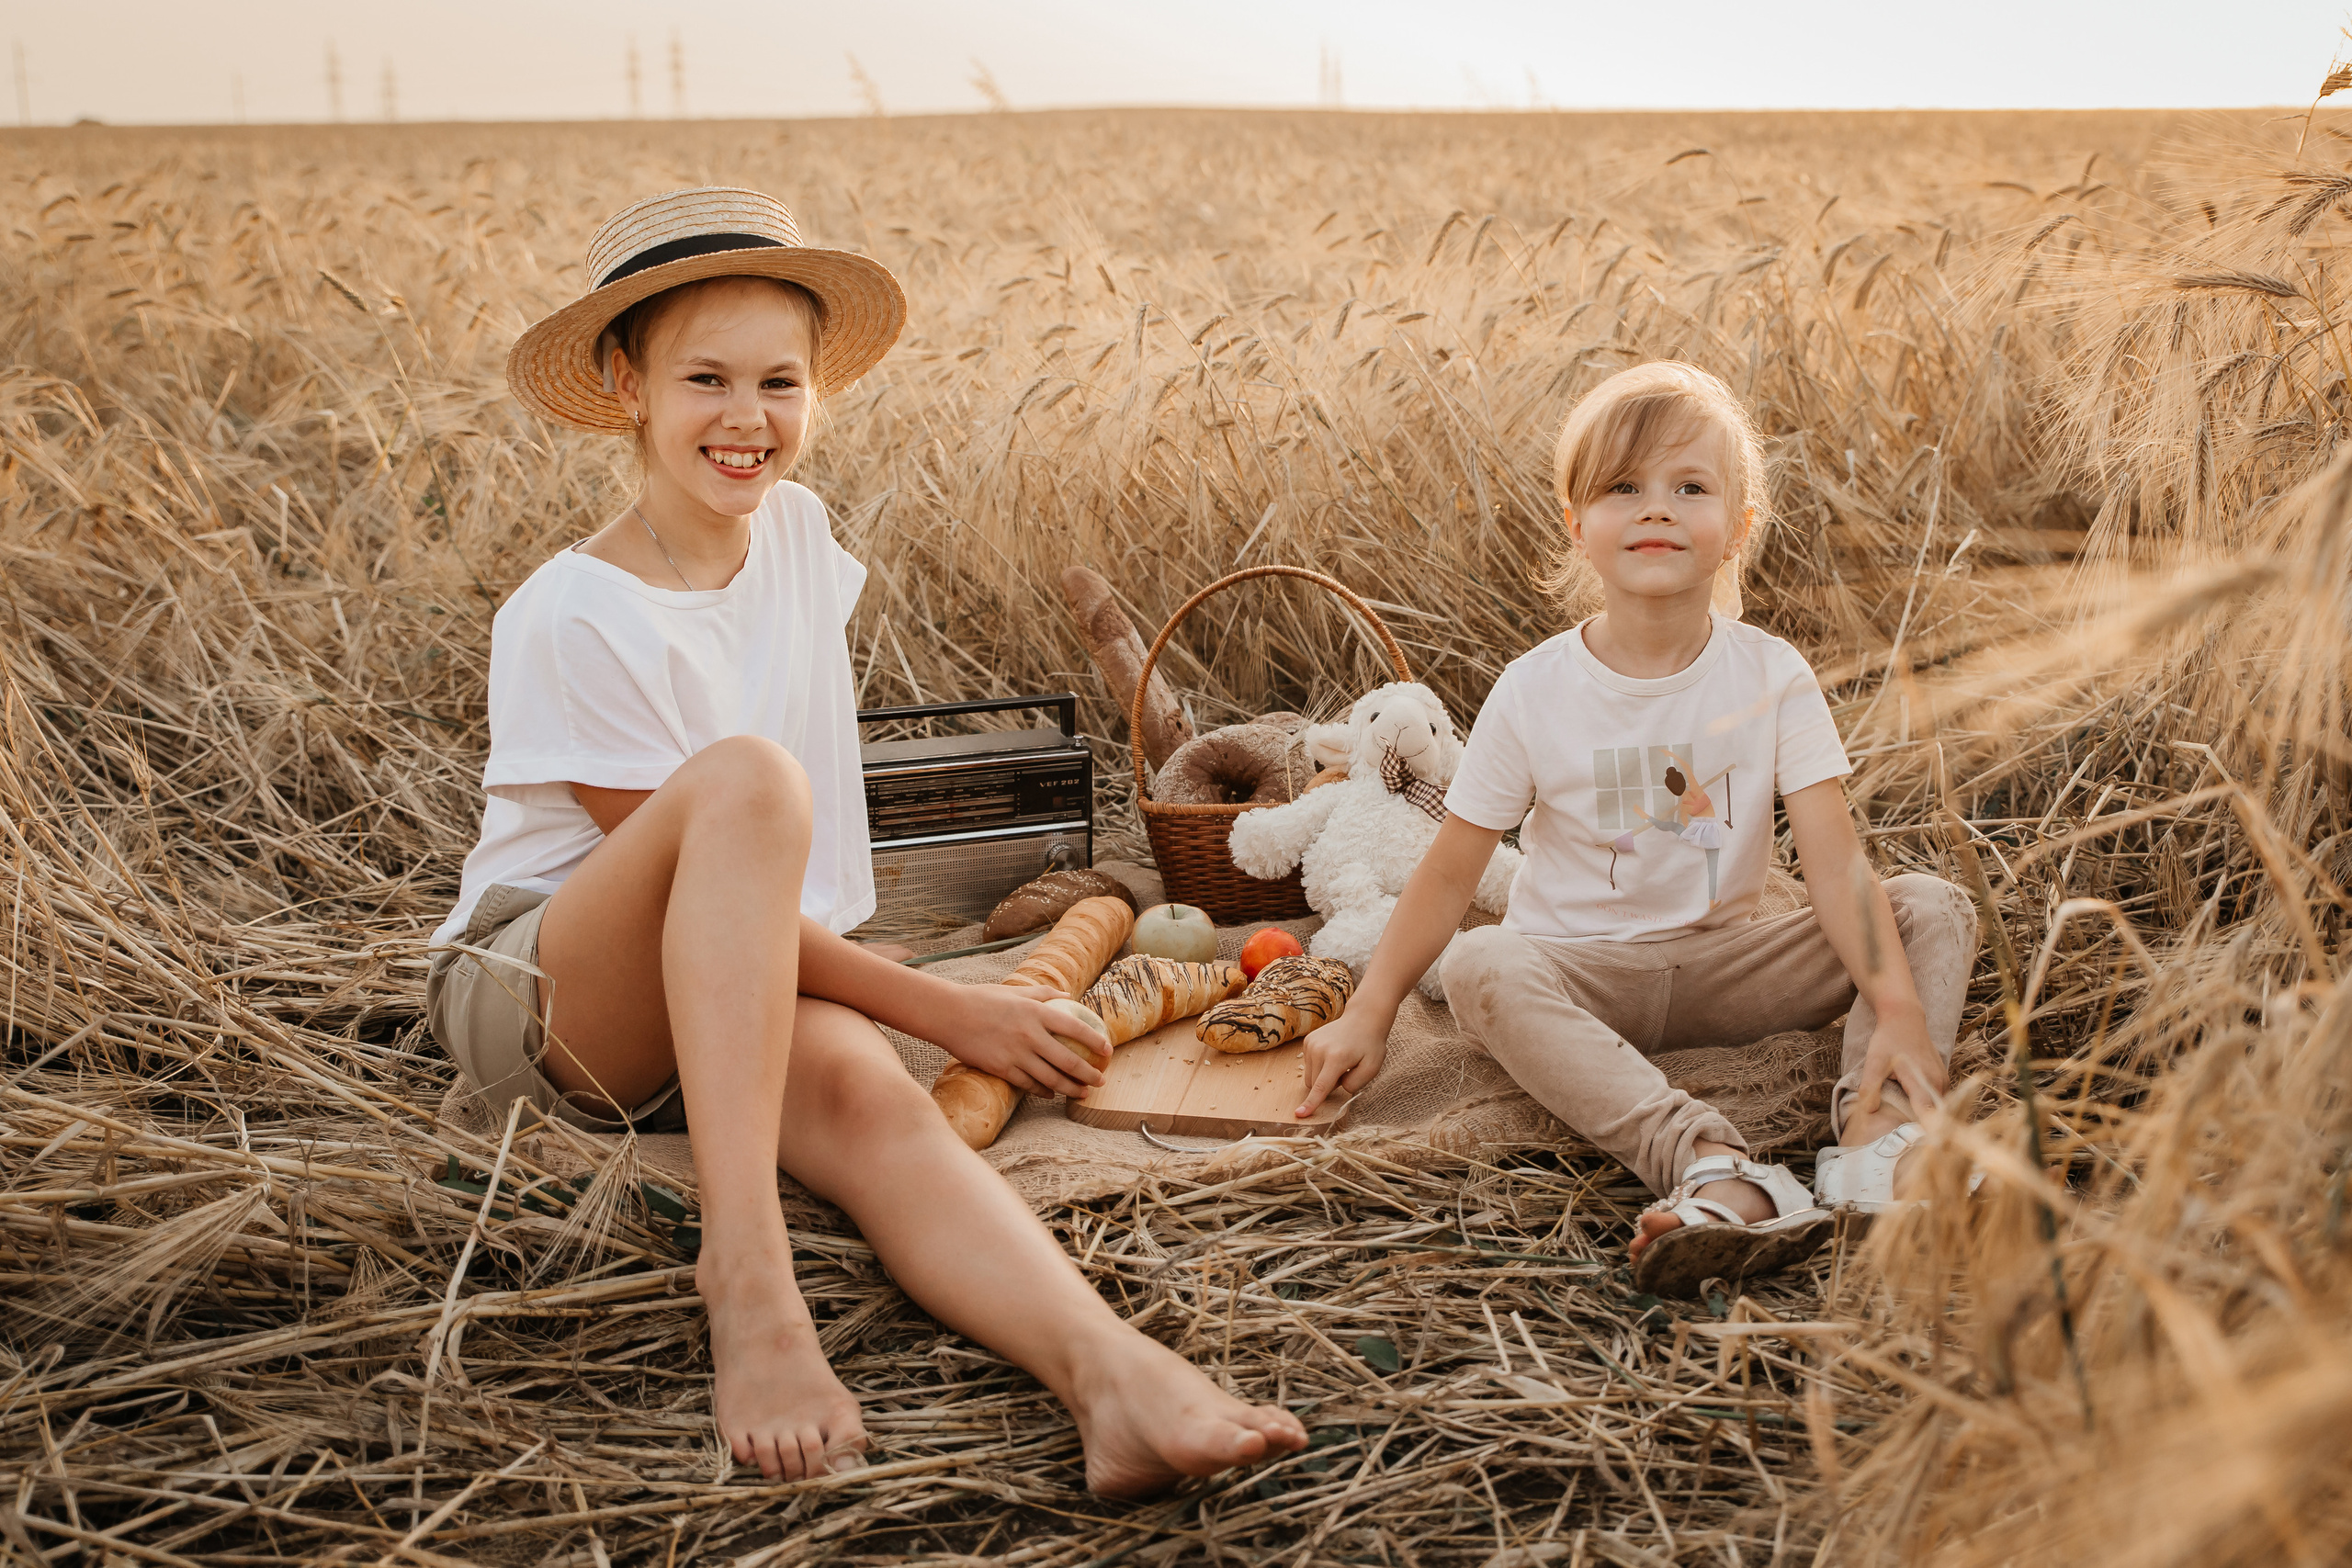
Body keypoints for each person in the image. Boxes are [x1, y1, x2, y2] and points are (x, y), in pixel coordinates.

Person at [427, 188, 1305, 1488]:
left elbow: (742, 917)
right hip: (553, 1000)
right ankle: (750, 1275)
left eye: (779, 381)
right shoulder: (572, 614)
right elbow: (710, 858)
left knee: (875, 1106)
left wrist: (915, 1023)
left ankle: (1114, 1374)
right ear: (626, 383)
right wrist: (954, 1011)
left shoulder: (796, 534)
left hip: (738, 979)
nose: (747, 418)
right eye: (705, 378)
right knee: (751, 784)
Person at [1292, 361, 1978, 1298]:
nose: (1655, 508)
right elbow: (1453, 873)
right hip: (1582, 975)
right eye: (1624, 488)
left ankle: (1878, 1143)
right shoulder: (1533, 690)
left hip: (1729, 966)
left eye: (1688, 488)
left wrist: (1895, 1006)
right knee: (1480, 966)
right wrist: (1370, 1011)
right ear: (1578, 526)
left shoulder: (1771, 676)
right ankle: (1713, 1168)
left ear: (1735, 529)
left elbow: (1830, 856)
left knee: (1929, 909)